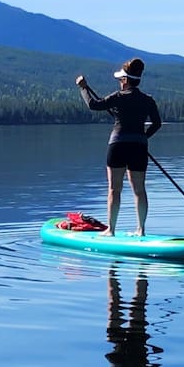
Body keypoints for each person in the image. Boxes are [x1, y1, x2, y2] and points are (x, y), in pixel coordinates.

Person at [76, 57, 162, 237]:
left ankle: (111, 230)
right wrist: (142, 137)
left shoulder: (117, 97)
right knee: (139, 190)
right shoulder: (148, 100)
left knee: (114, 189)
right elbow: (157, 123)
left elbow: (93, 105)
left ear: (125, 80)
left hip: (118, 146)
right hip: (138, 147)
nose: (119, 82)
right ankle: (141, 230)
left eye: (120, 79)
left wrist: (83, 87)